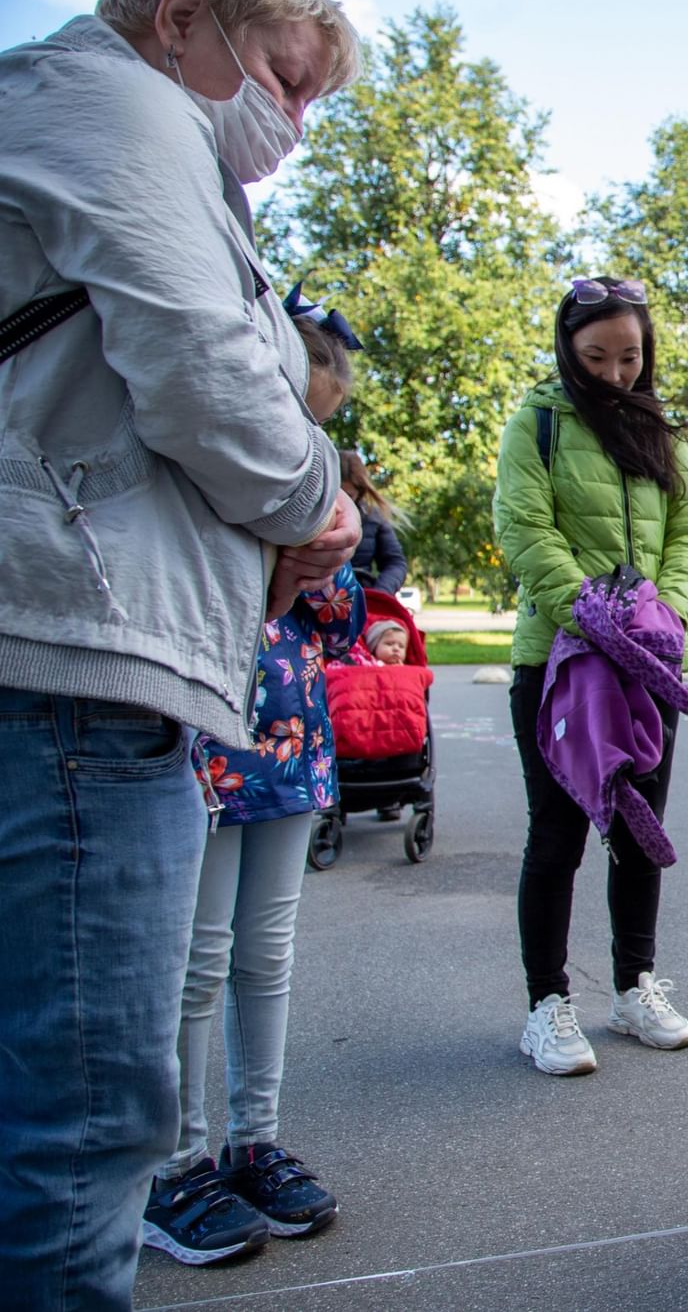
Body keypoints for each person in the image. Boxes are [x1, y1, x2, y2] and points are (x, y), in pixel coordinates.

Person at [0, 0, 361, 1303]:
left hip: (82, 659)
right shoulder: (124, 109)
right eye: (283, 79)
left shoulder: (112, 128)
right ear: (182, 18)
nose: (292, 122)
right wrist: (314, 506)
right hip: (80, 678)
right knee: (85, 1129)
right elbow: (208, 377)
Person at [143, 309, 364, 1268]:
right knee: (198, 959)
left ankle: (254, 1141)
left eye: (322, 425)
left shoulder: (319, 483)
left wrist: (327, 553)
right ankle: (175, 1163)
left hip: (291, 751)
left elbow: (342, 616)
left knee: (264, 955)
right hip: (206, 738)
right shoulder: (202, 458)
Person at [493, 277, 688, 1076]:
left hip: (649, 663)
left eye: (631, 356)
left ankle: (633, 987)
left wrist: (675, 609)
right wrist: (590, 611)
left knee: (639, 834)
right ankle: (546, 1004)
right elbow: (522, 527)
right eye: (597, 356)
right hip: (558, 661)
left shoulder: (665, 434)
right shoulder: (537, 422)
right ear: (567, 347)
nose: (616, 373)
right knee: (556, 834)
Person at [341, 450, 407, 595]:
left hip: (362, 596)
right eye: (337, 494)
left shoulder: (374, 517)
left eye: (349, 496)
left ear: (360, 492)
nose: (342, 502)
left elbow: (395, 563)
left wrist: (379, 594)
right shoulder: (305, 516)